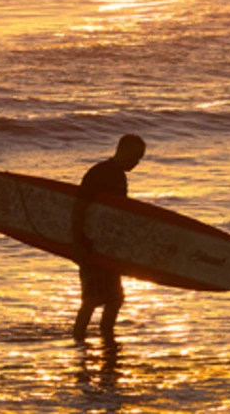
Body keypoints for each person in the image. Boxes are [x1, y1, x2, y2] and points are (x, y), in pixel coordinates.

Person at [71, 134, 146, 345]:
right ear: (123, 150)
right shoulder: (101, 173)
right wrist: (78, 241)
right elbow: (79, 206)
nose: (137, 163)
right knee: (92, 300)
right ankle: (78, 340)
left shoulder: (118, 175)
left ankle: (106, 337)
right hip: (91, 244)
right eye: (136, 157)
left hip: (107, 247)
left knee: (115, 298)